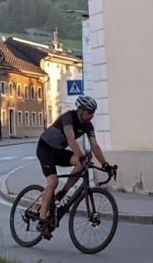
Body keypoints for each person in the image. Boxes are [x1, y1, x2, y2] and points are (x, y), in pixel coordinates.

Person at [35, 95, 114, 239]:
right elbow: (71, 140)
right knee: (53, 182)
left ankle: (63, 193)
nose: (92, 115)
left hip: (58, 151)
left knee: (82, 163)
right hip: (45, 149)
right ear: (81, 110)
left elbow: (95, 146)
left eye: (93, 112)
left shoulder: (88, 125)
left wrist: (105, 165)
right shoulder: (68, 118)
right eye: (90, 112)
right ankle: (41, 220)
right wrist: (81, 155)